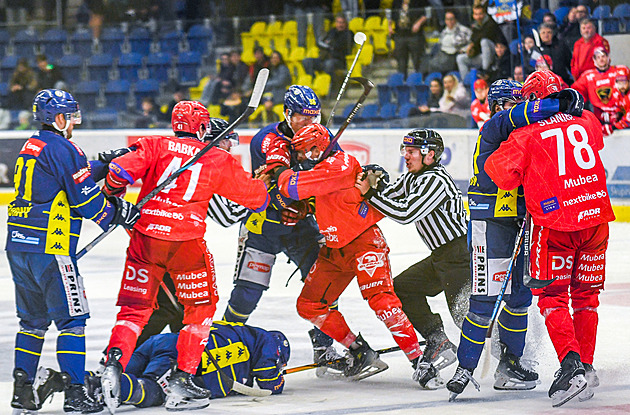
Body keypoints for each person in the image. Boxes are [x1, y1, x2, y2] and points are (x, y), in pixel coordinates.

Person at [99, 101, 271, 413]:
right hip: (186, 244)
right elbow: (257, 199)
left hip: (145, 239)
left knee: (134, 311)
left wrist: (117, 200)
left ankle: (112, 365)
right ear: (203, 128)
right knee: (200, 310)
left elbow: (116, 173)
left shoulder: (154, 145)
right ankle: (183, 380)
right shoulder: (216, 157)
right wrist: (263, 181)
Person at [446, 78, 587, 399]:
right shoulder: (494, 127)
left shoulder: (527, 136)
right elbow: (516, 117)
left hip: (521, 222)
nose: (524, 110)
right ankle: (464, 368)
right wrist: (556, 104)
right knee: (484, 300)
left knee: (520, 297)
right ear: (498, 106)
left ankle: (510, 363)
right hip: (490, 223)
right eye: (516, 103)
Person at [275, 123, 442, 388]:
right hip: (334, 249)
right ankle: (358, 350)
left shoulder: (339, 164)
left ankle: (420, 361)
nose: (302, 158)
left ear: (319, 149)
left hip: (364, 242)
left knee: (382, 302)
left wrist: (279, 172)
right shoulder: (324, 169)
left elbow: (292, 187)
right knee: (309, 305)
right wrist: (306, 209)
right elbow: (327, 198)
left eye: (306, 152)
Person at [485, 69, 615, 408]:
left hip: (554, 223)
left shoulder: (526, 134)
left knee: (551, 297)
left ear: (530, 101)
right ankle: (585, 365)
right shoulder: (585, 122)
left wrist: (506, 131)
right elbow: (595, 139)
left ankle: (571, 368)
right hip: (596, 217)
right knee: (586, 297)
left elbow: (499, 174)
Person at [7, 89, 141, 414]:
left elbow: (56, 178)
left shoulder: (33, 145)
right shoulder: (66, 148)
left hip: (19, 244)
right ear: (59, 117)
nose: (74, 122)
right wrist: (118, 214)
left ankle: (22, 391)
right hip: (52, 247)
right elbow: (85, 201)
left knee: (32, 323)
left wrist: (100, 164)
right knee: (72, 322)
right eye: (71, 115)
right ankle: (75, 394)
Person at [221, 85, 344, 379]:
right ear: (287, 113)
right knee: (248, 291)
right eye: (303, 117)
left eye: (314, 117)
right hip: (263, 225)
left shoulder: (322, 138)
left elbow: (334, 178)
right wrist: (289, 201)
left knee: (323, 281)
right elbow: (268, 185)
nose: (310, 123)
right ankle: (219, 346)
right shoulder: (267, 139)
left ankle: (325, 346)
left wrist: (308, 207)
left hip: (301, 226)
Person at [355, 129, 470, 379]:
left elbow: (406, 213)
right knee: (403, 288)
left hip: (460, 255)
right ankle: (437, 339)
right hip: (442, 256)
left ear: (430, 155)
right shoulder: (413, 178)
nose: (406, 156)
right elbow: (390, 197)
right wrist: (378, 182)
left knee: (467, 317)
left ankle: (509, 355)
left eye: (412, 151)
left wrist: (371, 193)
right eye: (404, 151)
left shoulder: (436, 180)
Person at [571, 47, 623, 135]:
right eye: (598, 57)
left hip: (620, 117)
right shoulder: (588, 76)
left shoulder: (620, 71)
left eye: (603, 56)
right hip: (599, 119)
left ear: (608, 57)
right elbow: (576, 94)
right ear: (594, 60)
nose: (601, 59)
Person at [456, 4, 507, 81]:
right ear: (473, 15)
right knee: (460, 58)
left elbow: (483, 36)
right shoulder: (475, 26)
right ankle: (466, 83)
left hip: (494, 54)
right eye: (476, 14)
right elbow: (476, 44)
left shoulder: (491, 23)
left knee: (484, 41)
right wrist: (472, 51)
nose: (478, 17)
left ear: (484, 14)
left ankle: (485, 71)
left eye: (480, 14)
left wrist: (472, 44)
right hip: (483, 57)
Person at [303, 14, 354, 82]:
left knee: (329, 64)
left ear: (346, 23)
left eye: (342, 22)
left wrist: (329, 45)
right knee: (307, 61)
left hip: (338, 60)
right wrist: (330, 46)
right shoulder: (332, 31)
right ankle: (313, 81)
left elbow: (339, 46)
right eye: (338, 22)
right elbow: (321, 43)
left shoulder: (348, 34)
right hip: (324, 58)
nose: (340, 25)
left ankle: (329, 85)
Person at [390, 0, 428, 78]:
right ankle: (403, 81)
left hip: (414, 35)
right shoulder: (396, 2)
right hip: (400, 35)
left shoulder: (418, 2)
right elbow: (391, 16)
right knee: (401, 62)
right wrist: (389, 26)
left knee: (417, 60)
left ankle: (420, 79)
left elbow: (425, 15)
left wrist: (418, 23)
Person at [428, 9, 471, 75]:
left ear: (456, 19)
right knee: (429, 64)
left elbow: (468, 44)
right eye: (447, 19)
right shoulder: (444, 31)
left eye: (451, 19)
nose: (449, 22)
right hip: (442, 55)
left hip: (454, 56)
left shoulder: (464, 30)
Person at [570, 18, 609, 83]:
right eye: (583, 28)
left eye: (588, 28)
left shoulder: (600, 42)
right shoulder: (577, 43)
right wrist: (574, 74)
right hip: (579, 79)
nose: (586, 31)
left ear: (594, 29)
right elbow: (573, 61)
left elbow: (602, 62)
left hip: (594, 79)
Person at [611, 66, 630, 131]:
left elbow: (628, 120)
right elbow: (618, 107)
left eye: (624, 82)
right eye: (619, 82)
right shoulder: (619, 93)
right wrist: (617, 115)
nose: (622, 86)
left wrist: (614, 127)